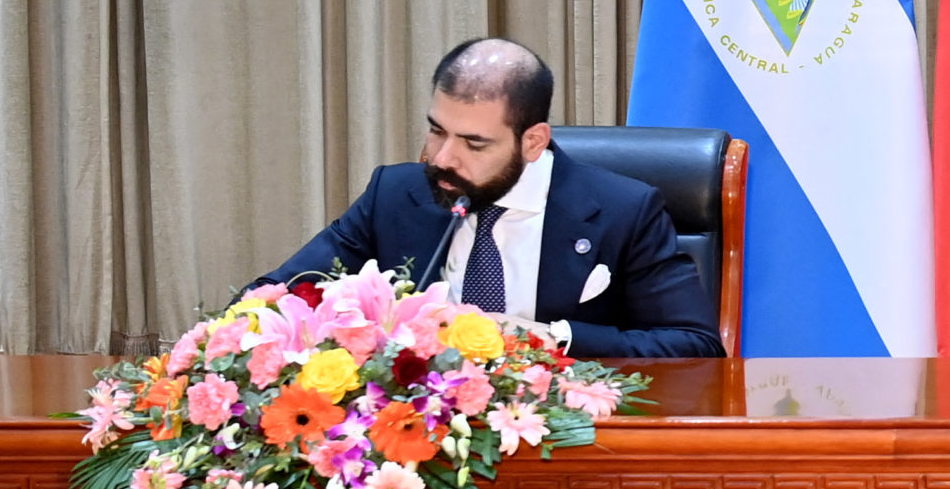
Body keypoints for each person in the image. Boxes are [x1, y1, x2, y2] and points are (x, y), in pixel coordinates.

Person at [258, 38, 722, 358]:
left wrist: (553, 338)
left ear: (534, 141)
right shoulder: (396, 195)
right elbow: (274, 297)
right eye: (438, 130)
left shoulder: (623, 211)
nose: (443, 158)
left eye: (474, 144)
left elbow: (694, 345)